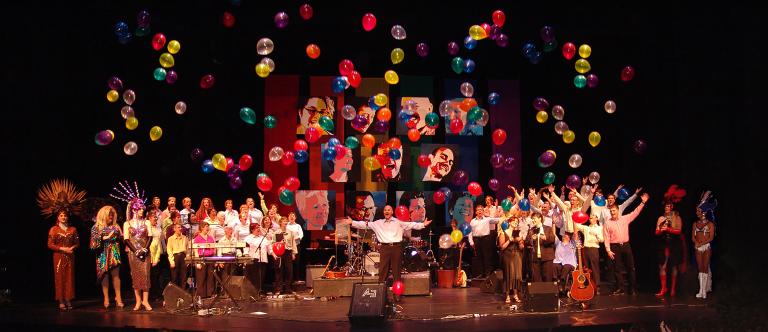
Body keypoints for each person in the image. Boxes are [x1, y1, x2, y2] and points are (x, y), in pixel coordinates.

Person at [344, 205, 432, 299]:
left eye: (389, 210)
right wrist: (352, 222)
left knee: (396, 272)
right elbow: (364, 224)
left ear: (392, 212)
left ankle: (397, 294)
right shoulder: (378, 223)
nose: (387, 211)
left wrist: (423, 224)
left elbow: (411, 225)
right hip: (384, 248)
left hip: (396, 247)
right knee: (383, 272)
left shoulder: (398, 222)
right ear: (383, 212)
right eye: (385, 210)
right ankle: (381, 294)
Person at [38, 179, 85, 310]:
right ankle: (61, 300)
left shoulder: (73, 229)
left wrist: (72, 248)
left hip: (70, 256)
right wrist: (62, 248)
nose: (64, 217)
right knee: (60, 278)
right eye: (61, 216)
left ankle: (69, 299)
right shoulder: (53, 229)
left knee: (70, 278)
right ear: (58, 217)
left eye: (65, 215)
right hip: (58, 257)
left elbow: (78, 243)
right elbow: (49, 244)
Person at [603, 192, 649, 296]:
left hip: (626, 245)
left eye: (614, 210)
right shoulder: (607, 223)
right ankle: (620, 288)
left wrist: (642, 202)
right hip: (614, 246)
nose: (612, 212)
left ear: (618, 211)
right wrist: (608, 250)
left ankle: (632, 288)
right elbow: (606, 237)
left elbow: (635, 212)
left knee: (630, 267)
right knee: (617, 269)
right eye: (611, 211)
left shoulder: (625, 218)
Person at [90, 205, 123, 309]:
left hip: (114, 251)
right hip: (102, 252)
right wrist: (105, 237)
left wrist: (121, 234)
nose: (111, 217)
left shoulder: (116, 226)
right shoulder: (96, 227)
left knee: (116, 276)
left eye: (112, 216)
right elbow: (93, 243)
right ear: (103, 215)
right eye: (109, 216)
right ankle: (106, 298)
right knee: (104, 275)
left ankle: (118, 298)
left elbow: (121, 238)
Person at [123, 199, 153, 311]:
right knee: (135, 276)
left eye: (142, 209)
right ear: (134, 210)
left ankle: (145, 301)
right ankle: (138, 301)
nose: (142, 211)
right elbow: (126, 239)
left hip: (145, 252)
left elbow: (150, 236)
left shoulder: (147, 222)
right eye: (140, 209)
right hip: (133, 253)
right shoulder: (127, 223)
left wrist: (145, 250)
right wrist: (136, 251)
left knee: (145, 275)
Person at [655, 201, 684, 297]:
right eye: (665, 206)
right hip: (663, 244)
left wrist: (668, 229)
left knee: (674, 266)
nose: (666, 208)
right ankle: (663, 288)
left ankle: (673, 289)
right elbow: (656, 232)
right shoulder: (661, 218)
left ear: (672, 207)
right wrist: (660, 230)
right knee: (662, 266)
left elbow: (679, 231)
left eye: (668, 206)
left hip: (674, 244)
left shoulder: (677, 218)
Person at [468, 205, 504, 278]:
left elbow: (498, 220)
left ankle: (488, 274)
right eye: (478, 210)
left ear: (483, 211)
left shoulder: (487, 219)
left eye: (481, 210)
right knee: (479, 257)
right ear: (476, 212)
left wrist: (505, 216)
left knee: (487, 256)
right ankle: (481, 273)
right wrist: (471, 241)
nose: (480, 211)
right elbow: (470, 232)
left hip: (486, 239)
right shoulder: (472, 221)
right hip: (476, 239)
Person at [572, 214, 604, 295]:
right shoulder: (586, 228)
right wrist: (575, 215)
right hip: (586, 249)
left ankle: (597, 286)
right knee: (586, 268)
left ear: (596, 218)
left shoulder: (600, 228)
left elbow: (602, 240)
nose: (590, 219)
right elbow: (577, 225)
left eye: (592, 217)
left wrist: (596, 234)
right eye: (590, 218)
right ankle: (588, 285)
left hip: (594, 248)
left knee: (595, 267)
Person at [498, 211, 526, 303]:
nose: (516, 223)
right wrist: (509, 240)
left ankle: (515, 294)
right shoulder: (504, 233)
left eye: (517, 222)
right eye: (514, 222)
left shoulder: (518, 233)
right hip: (508, 255)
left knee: (517, 275)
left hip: (517, 255)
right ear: (509, 222)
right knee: (509, 275)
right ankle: (507, 295)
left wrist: (520, 241)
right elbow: (502, 247)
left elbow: (522, 247)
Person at [694, 191, 716, 299]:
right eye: (697, 210)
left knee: (705, 267)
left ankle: (705, 291)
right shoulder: (695, 223)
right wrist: (696, 242)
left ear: (703, 212)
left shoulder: (710, 224)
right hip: (698, 247)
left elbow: (711, 237)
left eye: (698, 210)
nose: (696, 212)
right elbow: (692, 236)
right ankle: (701, 290)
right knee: (700, 267)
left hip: (706, 247)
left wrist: (701, 243)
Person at [244, 224, 272, 298]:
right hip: (253, 260)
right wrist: (246, 257)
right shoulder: (248, 238)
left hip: (262, 260)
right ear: (252, 229)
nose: (258, 229)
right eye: (257, 228)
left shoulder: (263, 238)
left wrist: (274, 254)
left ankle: (259, 292)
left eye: (259, 228)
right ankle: (253, 293)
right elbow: (246, 250)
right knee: (254, 277)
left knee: (261, 277)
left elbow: (269, 249)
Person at [526, 212, 555, 282]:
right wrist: (532, 240)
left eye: (534, 219)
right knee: (536, 278)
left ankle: (548, 292)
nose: (533, 220)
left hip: (547, 257)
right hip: (535, 257)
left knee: (547, 277)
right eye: (532, 219)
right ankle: (537, 293)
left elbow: (552, 239)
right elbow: (527, 242)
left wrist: (546, 239)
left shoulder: (548, 229)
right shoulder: (531, 230)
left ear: (540, 219)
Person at [272, 217, 298, 295]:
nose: (286, 222)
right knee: (279, 271)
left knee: (289, 271)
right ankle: (279, 289)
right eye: (284, 221)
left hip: (287, 252)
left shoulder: (290, 232)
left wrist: (293, 253)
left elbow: (293, 243)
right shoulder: (276, 232)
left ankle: (288, 289)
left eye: (286, 221)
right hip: (279, 252)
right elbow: (273, 243)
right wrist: (279, 243)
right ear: (280, 223)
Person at [193, 223, 216, 298]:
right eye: (206, 227)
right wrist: (197, 262)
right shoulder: (197, 238)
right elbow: (196, 250)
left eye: (208, 227)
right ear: (202, 228)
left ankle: (210, 293)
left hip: (210, 258)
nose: (207, 228)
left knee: (210, 276)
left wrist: (215, 259)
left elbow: (214, 249)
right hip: (201, 258)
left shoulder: (210, 238)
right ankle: (201, 294)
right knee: (201, 277)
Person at [553, 232, 578, 296]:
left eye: (567, 236)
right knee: (554, 265)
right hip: (559, 262)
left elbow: (575, 234)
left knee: (566, 266)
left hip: (570, 264)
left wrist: (574, 222)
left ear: (569, 239)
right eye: (564, 236)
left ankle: (562, 284)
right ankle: (555, 283)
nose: (565, 237)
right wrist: (553, 223)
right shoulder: (558, 243)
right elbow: (553, 234)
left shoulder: (572, 244)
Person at [167, 224, 188, 288]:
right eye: (178, 227)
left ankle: (183, 292)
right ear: (174, 229)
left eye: (180, 227)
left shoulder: (185, 238)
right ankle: (175, 293)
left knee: (184, 276)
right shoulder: (170, 239)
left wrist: (187, 259)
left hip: (183, 257)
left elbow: (187, 249)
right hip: (175, 257)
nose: (180, 229)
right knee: (175, 277)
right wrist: (171, 261)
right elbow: (169, 251)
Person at [285, 212, 304, 283]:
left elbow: (301, 235)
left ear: (295, 218)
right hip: (288, 246)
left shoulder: (298, 226)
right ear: (288, 217)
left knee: (296, 262)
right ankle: (289, 279)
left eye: (293, 216)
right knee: (288, 263)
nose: (291, 217)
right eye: (290, 216)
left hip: (296, 245)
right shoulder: (286, 225)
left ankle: (296, 278)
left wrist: (294, 239)